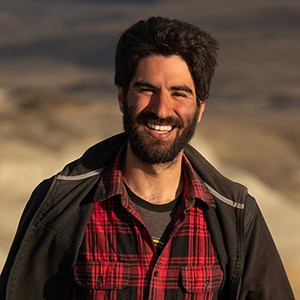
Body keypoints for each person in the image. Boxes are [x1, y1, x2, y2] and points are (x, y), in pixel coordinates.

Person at [0, 16, 294, 300]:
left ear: (200, 107)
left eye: (179, 93)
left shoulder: (235, 217)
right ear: (121, 95)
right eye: (146, 89)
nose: (162, 109)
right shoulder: (60, 205)